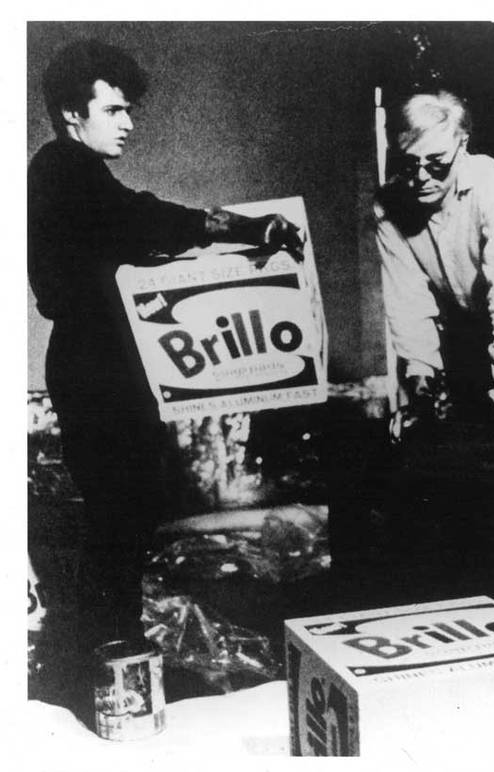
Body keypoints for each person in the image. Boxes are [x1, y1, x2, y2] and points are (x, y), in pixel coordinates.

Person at [28, 38, 304, 690]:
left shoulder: (71, 176)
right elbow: (141, 218)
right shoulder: (64, 168)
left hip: (101, 361)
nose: (127, 123)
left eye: (130, 110)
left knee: (124, 517)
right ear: (72, 114)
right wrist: (243, 227)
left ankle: (114, 659)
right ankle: (110, 663)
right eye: (113, 110)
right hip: (94, 366)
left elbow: (125, 234)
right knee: (117, 519)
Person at [374, 90, 494, 443]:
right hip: (471, 335)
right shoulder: (389, 205)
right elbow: (407, 304)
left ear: (462, 144)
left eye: (437, 162)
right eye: (409, 163)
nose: (421, 177)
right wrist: (421, 384)